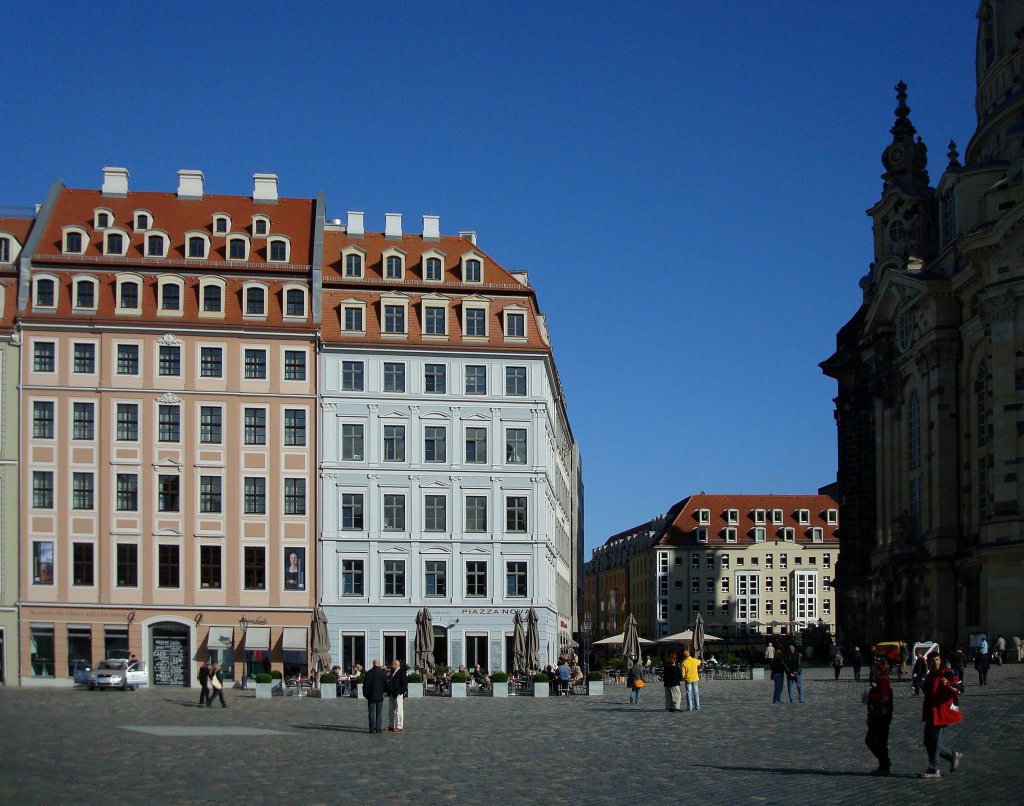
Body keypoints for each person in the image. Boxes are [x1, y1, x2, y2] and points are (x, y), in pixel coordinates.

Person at [920, 653, 963, 778]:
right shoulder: (930, 675)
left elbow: (960, 688)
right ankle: (952, 755)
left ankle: (934, 769)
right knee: (928, 741)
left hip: (942, 712)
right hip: (930, 712)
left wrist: (948, 685)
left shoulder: (947, 673)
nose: (935, 662)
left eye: (937, 659)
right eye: (932, 660)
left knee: (936, 741)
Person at [863, 658, 894, 775]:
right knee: (876, 740)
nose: (872, 670)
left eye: (874, 668)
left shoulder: (884, 680)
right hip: (879, 714)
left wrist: (869, 696)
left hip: (881, 715)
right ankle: (884, 762)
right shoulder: (880, 680)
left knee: (876, 740)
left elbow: (883, 695)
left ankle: (885, 764)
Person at [363, 660, 388, 734]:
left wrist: (365, 694)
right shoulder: (383, 673)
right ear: (379, 664)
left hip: (371, 695)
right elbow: (386, 684)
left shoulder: (369, 672)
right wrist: (385, 692)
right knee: (379, 713)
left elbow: (365, 685)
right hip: (380, 695)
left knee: (371, 712)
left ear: (373, 664)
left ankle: (371, 728)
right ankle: (378, 728)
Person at [386, 659, 407, 732]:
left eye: (392, 664)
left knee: (399, 710)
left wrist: (400, 692)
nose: (391, 666)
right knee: (391, 710)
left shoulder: (401, 672)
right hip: (391, 693)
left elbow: (404, 684)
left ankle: (399, 726)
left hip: (398, 694)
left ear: (396, 664)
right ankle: (391, 725)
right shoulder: (393, 672)